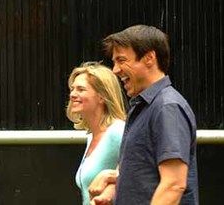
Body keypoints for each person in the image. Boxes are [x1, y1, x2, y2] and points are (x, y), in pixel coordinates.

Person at [90, 25, 198, 204]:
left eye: (121, 60)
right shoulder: (145, 106)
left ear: (149, 58)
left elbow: (173, 184)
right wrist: (112, 190)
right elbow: (143, 171)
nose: (115, 70)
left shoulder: (167, 107)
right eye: (114, 62)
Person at [66, 62, 126, 205]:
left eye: (81, 89)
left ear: (102, 96)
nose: (73, 94)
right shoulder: (91, 136)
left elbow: (140, 174)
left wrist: (110, 176)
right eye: (72, 89)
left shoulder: (118, 131)